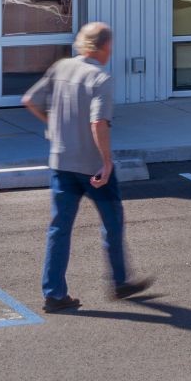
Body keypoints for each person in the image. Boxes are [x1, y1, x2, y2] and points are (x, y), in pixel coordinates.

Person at [22, 22, 152, 313]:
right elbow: (98, 123)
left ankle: (54, 294)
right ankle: (120, 281)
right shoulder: (100, 78)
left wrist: (54, 125)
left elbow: (29, 100)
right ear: (105, 47)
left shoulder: (61, 67)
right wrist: (106, 162)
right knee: (112, 223)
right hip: (92, 167)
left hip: (61, 161)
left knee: (59, 228)